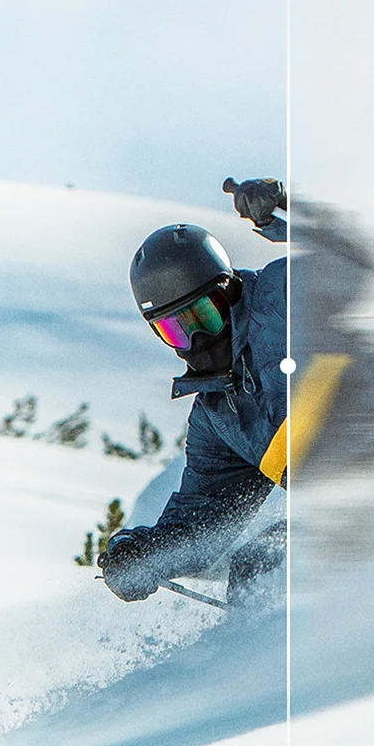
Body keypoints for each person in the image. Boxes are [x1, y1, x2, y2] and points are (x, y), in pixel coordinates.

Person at [97, 180, 292, 606]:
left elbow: (351, 263)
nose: (197, 339)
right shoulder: (219, 417)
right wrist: (147, 553)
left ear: (227, 290)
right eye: (176, 330)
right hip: (348, 508)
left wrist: (289, 208)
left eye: (203, 315)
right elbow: (203, 516)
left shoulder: (279, 296)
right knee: (261, 565)